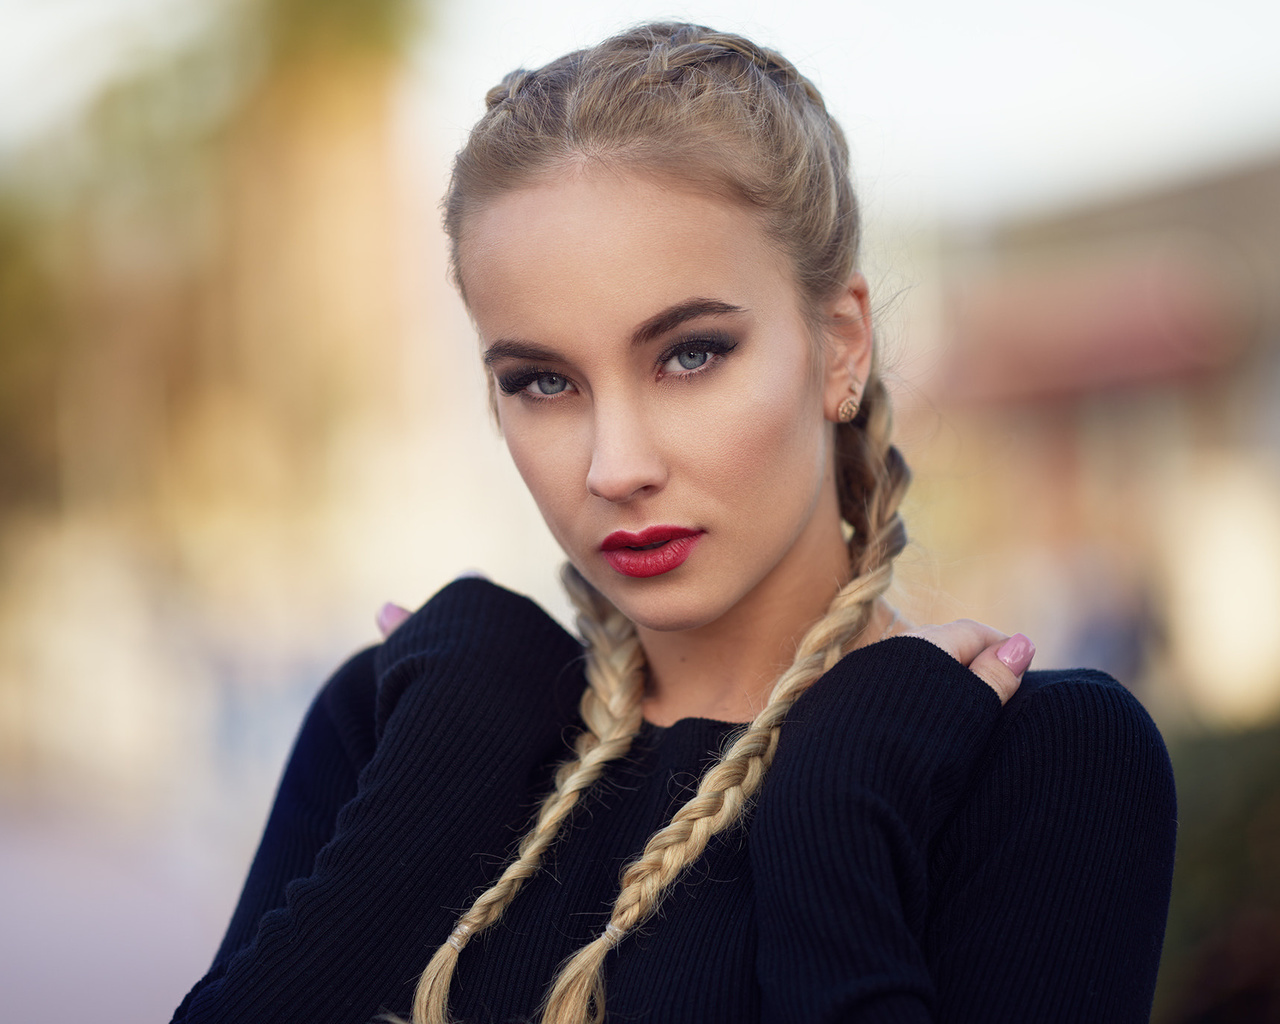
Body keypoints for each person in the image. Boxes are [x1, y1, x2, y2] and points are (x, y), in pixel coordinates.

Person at [171, 22, 1177, 1024]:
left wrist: (834, 818)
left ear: (838, 344)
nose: (614, 466)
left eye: (690, 354)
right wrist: (442, 768)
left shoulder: (1033, 761)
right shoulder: (394, 722)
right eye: (542, 380)